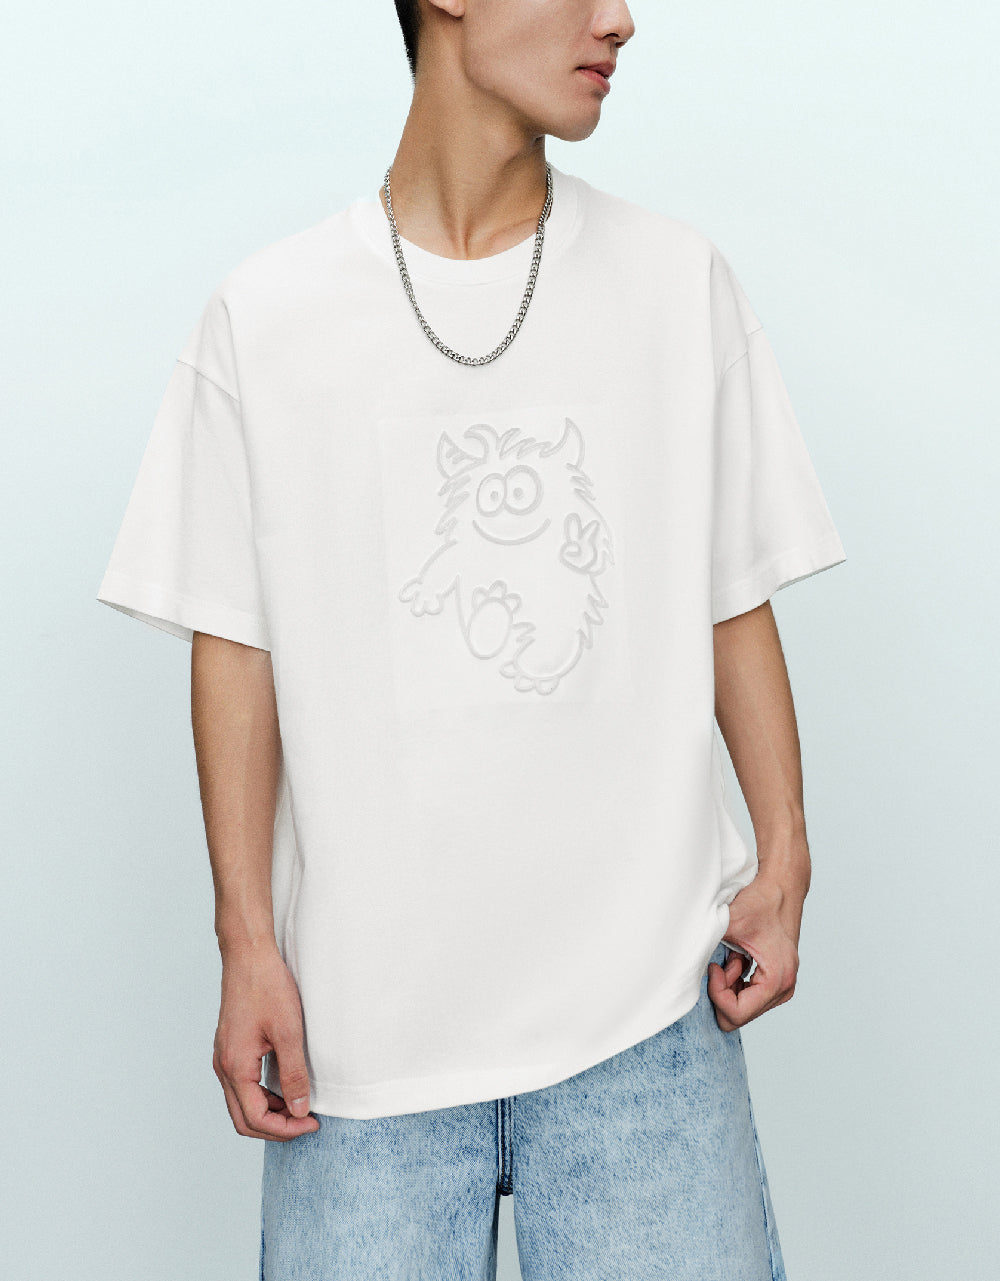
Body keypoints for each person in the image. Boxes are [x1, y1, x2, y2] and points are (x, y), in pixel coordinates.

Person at [97, 1, 846, 1276]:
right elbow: (236, 646)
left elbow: (730, 591)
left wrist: (784, 856)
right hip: (360, 1047)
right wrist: (246, 946)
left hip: (647, 1027)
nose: (619, 19)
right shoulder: (267, 318)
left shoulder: (677, 284)